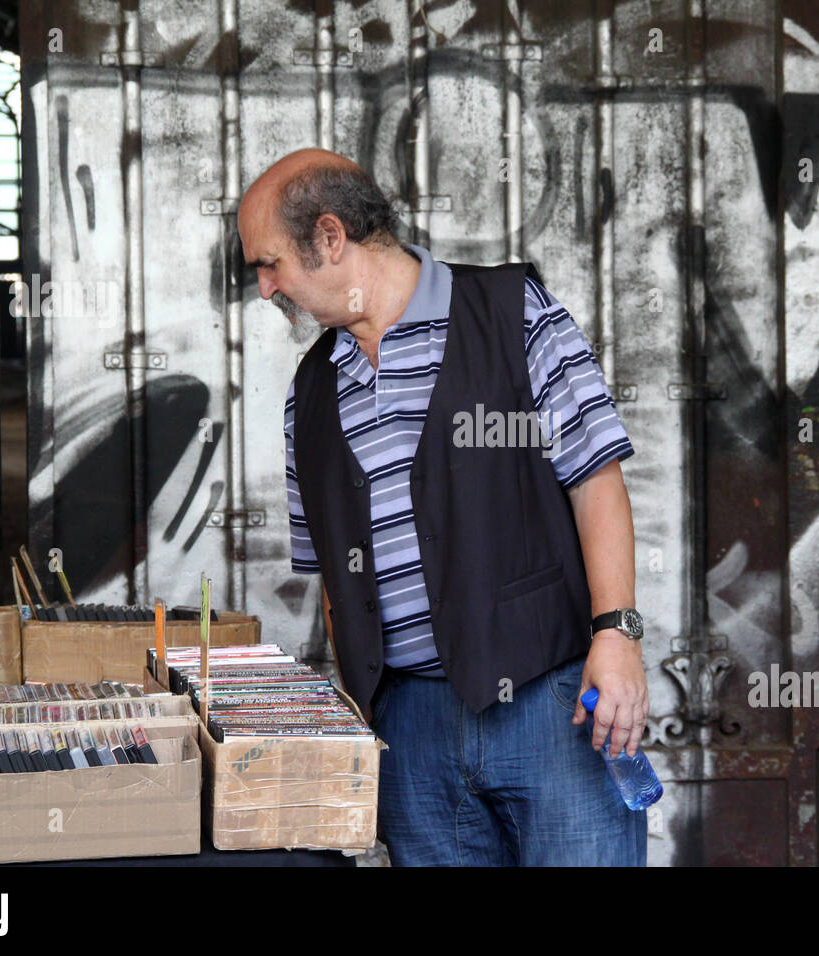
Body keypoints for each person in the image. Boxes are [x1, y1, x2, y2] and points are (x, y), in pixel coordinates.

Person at [237, 148, 649, 866]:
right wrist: (361, 714)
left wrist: (617, 635)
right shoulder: (309, 393)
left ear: (330, 237)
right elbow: (337, 581)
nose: (266, 288)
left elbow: (596, 480)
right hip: (412, 730)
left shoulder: (512, 313)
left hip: (548, 699)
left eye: (269, 263)